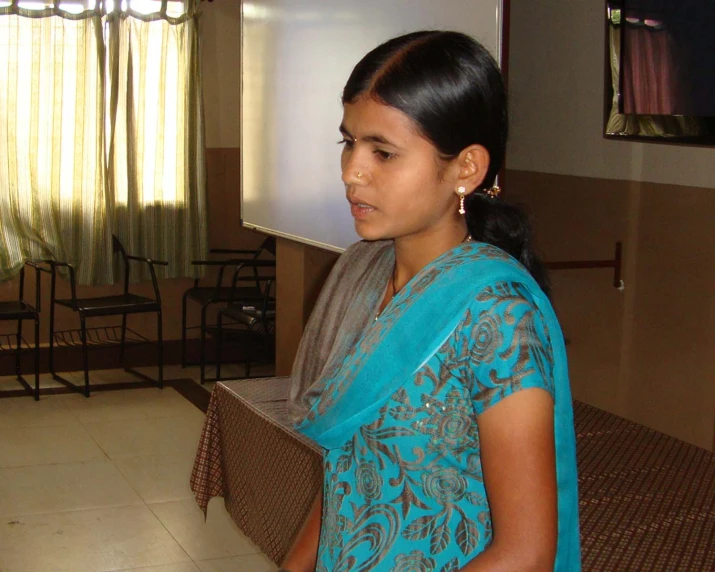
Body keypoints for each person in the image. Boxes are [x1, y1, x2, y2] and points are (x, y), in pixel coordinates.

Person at [281, 30, 580, 572]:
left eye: (383, 152)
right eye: (348, 142)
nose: (352, 171)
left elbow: (527, 552)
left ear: (465, 168)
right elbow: (345, 471)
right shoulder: (359, 277)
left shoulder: (498, 315)